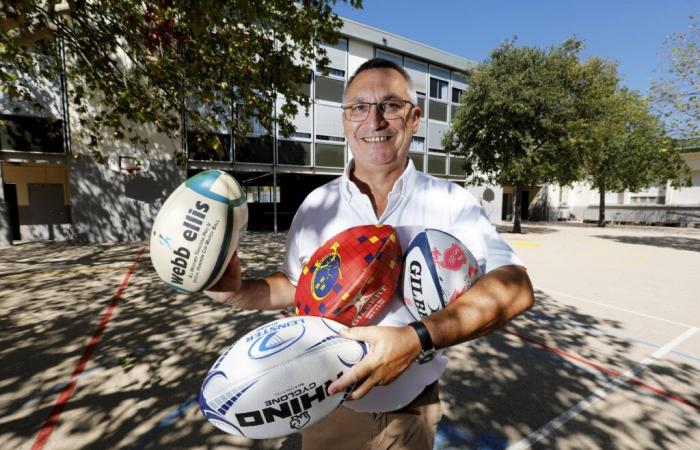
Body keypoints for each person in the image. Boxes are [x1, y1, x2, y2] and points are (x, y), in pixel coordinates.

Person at [206, 58, 534, 449]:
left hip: (410, 411)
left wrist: (416, 340)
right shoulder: (316, 205)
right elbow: (299, 287)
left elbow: (516, 287)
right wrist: (234, 291)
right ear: (345, 121)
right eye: (358, 108)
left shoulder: (449, 201)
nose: (374, 121)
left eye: (390, 106)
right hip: (329, 405)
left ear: (414, 119)